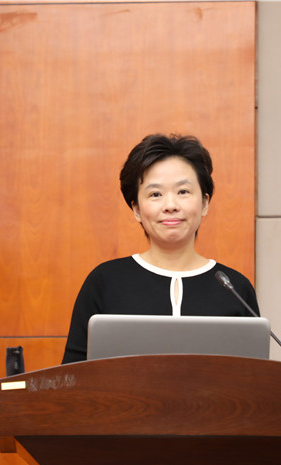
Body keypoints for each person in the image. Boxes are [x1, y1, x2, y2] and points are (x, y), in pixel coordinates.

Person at [61, 133, 259, 364]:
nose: (170, 205)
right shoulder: (105, 282)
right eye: (155, 194)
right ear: (136, 209)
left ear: (205, 203)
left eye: (183, 192)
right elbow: (71, 376)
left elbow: (255, 379)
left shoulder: (234, 287)